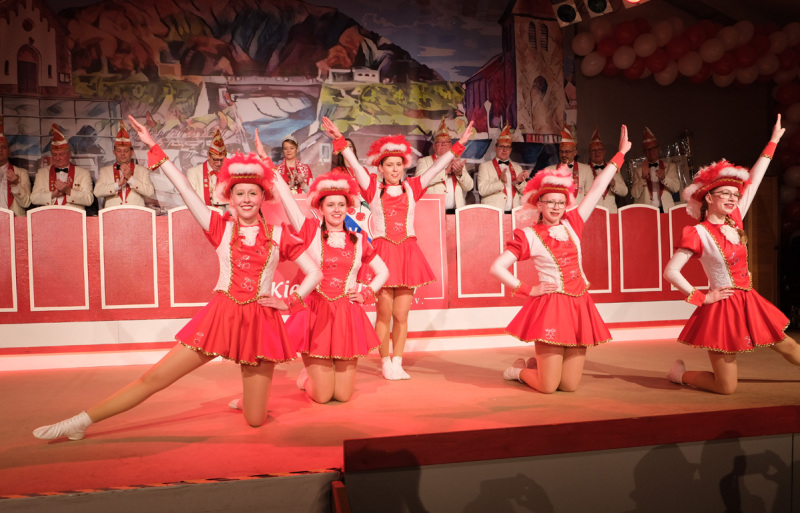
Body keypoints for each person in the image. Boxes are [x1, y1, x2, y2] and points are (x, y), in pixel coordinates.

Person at [32, 115, 322, 441]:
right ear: (229, 197)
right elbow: (185, 189)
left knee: (256, 421)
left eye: (252, 193)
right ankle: (81, 421)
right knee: (156, 378)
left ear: (262, 197)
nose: (245, 199)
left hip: (260, 322)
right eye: (239, 193)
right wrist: (153, 145)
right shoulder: (219, 228)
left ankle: (250, 400)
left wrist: (290, 302)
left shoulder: (279, 235)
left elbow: (315, 272)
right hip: (222, 316)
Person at [321, 116, 474, 380]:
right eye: (389, 165)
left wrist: (459, 144)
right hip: (383, 254)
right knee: (384, 313)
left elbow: (438, 165)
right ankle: (385, 362)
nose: (394, 169)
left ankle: (398, 361)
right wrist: (340, 140)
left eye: (399, 164)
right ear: (380, 168)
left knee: (401, 314)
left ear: (405, 166)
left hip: (407, 254)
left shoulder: (413, 187)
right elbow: (353, 164)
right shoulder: (372, 188)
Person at [663, 116, 800, 394]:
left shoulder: (735, 219)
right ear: (709, 198)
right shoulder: (697, 233)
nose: (732, 199)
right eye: (725, 194)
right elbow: (671, 271)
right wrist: (702, 298)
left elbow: (755, 178)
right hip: (722, 308)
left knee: (788, 346)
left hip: (749, 300)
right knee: (726, 387)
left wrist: (773, 141)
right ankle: (680, 375)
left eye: (735, 195)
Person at [491, 125, 631, 393]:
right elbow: (496, 267)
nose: (556, 207)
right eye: (550, 202)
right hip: (551, 307)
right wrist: (528, 289)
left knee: (568, 386)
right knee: (547, 387)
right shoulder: (529, 235)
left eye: (560, 202)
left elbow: (597, 188)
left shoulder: (573, 223)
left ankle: (537, 365)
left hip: (579, 305)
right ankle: (519, 371)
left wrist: (620, 154)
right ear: (539, 204)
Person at [275, 170, 390, 402]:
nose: (336, 209)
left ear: (348, 207)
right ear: (321, 208)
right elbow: (287, 201)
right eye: (330, 205)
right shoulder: (309, 231)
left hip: (347, 315)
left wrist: (366, 293)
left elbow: (384, 271)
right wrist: (271, 171)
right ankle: (307, 377)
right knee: (323, 396)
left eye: (341, 204)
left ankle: (320, 376)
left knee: (343, 396)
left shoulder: (359, 239)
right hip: (315, 314)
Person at [30, 124, 94, 210]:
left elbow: (89, 200)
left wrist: (69, 191)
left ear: (69, 154)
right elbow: (33, 198)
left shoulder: (83, 173)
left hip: (73, 216)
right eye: (54, 155)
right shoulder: (42, 173)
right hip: (49, 216)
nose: (57, 158)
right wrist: (52, 194)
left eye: (61, 154)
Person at [94, 122, 155, 208]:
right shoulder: (105, 171)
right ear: (114, 152)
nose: (122, 154)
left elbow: (150, 192)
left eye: (126, 151)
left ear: (132, 152)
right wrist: (118, 185)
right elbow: (97, 192)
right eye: (119, 151)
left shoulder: (142, 171)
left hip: (135, 213)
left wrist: (130, 178)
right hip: (113, 214)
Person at [418, 118, 473, 213]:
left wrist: (460, 174)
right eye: (440, 142)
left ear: (451, 145)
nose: (443, 144)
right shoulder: (424, 162)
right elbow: (419, 184)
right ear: (434, 146)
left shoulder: (457, 161)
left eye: (447, 142)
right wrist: (446, 171)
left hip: (456, 212)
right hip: (432, 212)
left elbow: (469, 187)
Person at [477, 125, 527, 212]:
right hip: (493, 212)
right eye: (501, 147)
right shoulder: (485, 166)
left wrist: (519, 182)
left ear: (510, 150)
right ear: (495, 148)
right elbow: (482, 190)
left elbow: (525, 192)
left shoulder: (517, 167)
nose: (504, 150)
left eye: (507, 147)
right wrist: (501, 183)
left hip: (514, 212)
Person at [631, 127, 679, 213]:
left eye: (653, 148)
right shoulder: (638, 171)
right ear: (644, 152)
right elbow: (634, 194)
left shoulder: (670, 167)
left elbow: (676, 188)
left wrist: (664, 178)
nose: (651, 151)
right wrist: (643, 178)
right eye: (647, 150)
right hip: (647, 211)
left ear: (658, 148)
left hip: (665, 209)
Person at [542, 127, 593, 204]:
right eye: (561, 152)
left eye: (567, 152)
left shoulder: (586, 169)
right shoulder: (549, 170)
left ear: (575, 153)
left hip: (578, 209)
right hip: (556, 208)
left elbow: (590, 195)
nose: (563, 155)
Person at [588, 128, 627, 213]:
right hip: (592, 212)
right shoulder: (585, 169)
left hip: (611, 212)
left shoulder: (612, 167)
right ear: (589, 153)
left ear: (604, 151)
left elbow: (624, 192)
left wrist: (613, 183)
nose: (597, 152)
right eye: (594, 150)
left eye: (600, 150)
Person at [186, 128, 228, 209]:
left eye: (222, 160)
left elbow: (233, 198)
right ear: (208, 155)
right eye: (215, 159)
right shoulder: (193, 172)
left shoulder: (228, 172)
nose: (219, 163)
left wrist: (212, 195)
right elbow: (190, 199)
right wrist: (219, 196)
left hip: (222, 215)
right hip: (200, 215)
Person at [0, 120, 32, 216]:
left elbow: (26, 203)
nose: (0, 150)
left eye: (3, 147)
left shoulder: (22, 173)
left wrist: (16, 184)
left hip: (14, 222)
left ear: (9, 151)